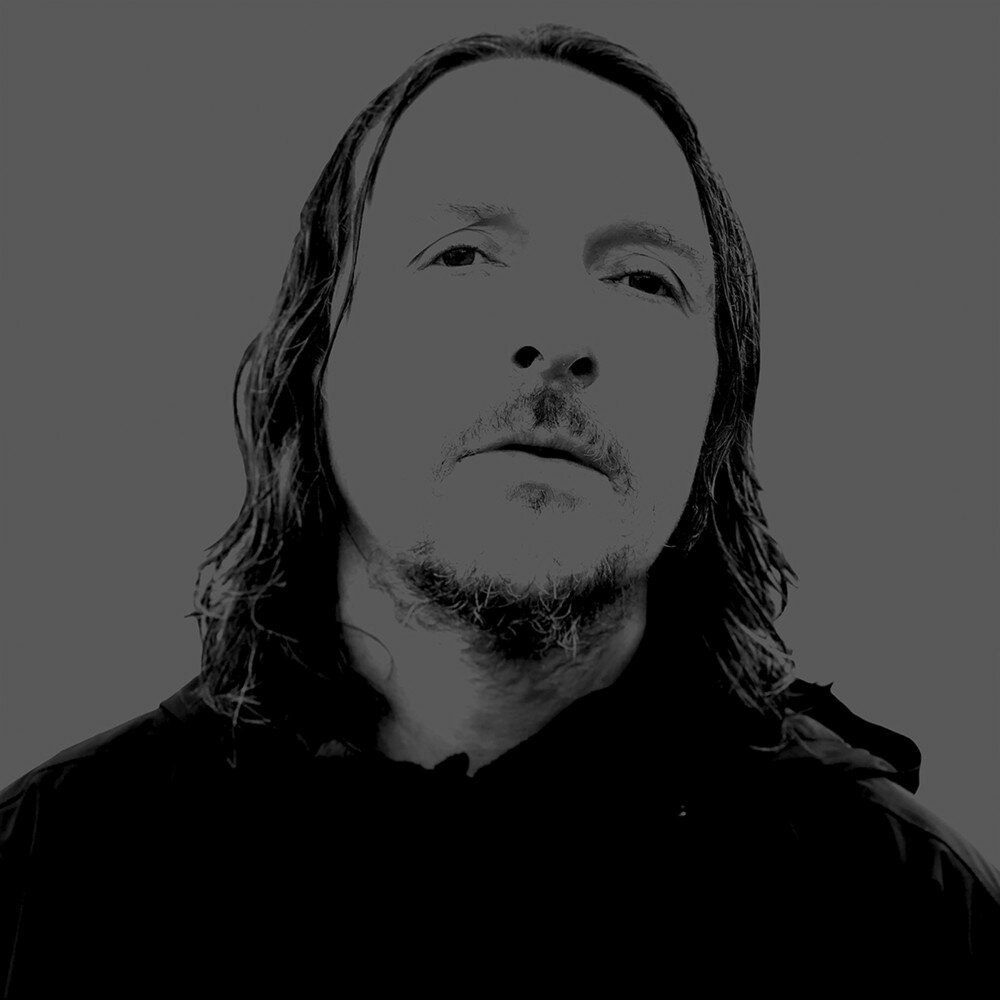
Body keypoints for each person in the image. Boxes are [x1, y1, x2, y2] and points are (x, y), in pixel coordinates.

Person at [2, 23, 997, 993]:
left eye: (644, 279)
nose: (556, 335)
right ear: (314, 363)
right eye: (462, 255)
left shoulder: (912, 919)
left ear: (715, 414)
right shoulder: (43, 879)